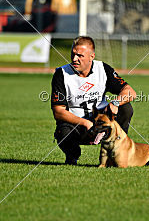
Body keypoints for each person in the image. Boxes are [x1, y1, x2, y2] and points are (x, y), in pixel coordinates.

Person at [51, 36, 136, 165]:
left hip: (102, 123)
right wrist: (85, 123)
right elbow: (58, 111)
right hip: (78, 125)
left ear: (91, 56)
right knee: (62, 131)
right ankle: (72, 155)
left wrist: (115, 103)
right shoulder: (61, 74)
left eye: (80, 56)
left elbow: (130, 91)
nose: (74, 59)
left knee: (126, 108)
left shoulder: (103, 69)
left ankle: (117, 150)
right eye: (73, 54)